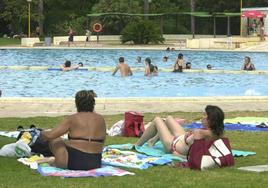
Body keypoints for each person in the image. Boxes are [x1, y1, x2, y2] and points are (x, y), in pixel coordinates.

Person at [38, 90, 106, 170]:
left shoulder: (73, 118)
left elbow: (50, 135)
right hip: (95, 162)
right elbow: (102, 141)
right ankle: (54, 160)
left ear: (77, 104)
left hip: (74, 163)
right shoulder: (101, 119)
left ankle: (58, 162)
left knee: (56, 140)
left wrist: (40, 133)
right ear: (93, 104)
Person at [135, 105, 226, 159]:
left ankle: (137, 145)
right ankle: (153, 140)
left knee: (157, 120)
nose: (202, 118)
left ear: (210, 120)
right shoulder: (219, 133)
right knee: (169, 119)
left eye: (204, 115)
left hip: (172, 144)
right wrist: (191, 134)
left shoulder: (202, 133)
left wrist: (178, 155)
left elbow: (196, 157)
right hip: (182, 138)